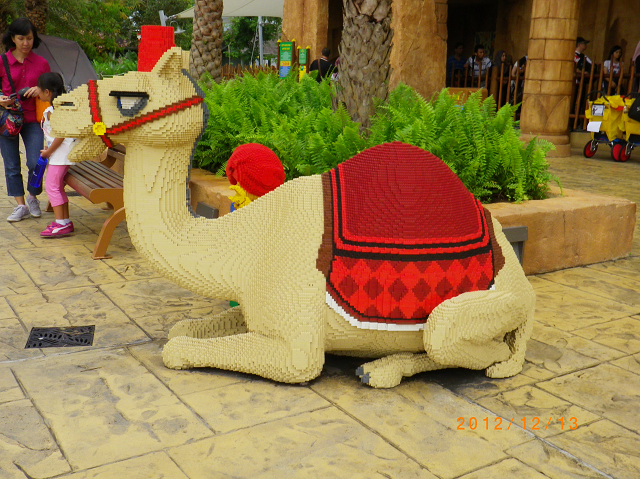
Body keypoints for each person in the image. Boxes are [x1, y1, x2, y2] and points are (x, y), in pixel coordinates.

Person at [0, 17, 50, 222]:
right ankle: (20, 205)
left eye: (29, 38)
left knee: (35, 162)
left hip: (33, 120)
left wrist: (41, 89)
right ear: (13, 38)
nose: (25, 43)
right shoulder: (2, 61)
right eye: (21, 38)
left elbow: (52, 91)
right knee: (11, 164)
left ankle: (32, 197)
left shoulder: (42, 63)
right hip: (8, 119)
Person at [38, 72, 76, 237]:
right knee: (58, 187)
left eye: (39, 89)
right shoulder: (58, 109)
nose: (37, 92)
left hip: (60, 156)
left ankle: (60, 223)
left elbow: (60, 135)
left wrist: (48, 152)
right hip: (60, 155)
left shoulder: (54, 112)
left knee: (52, 187)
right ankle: (64, 221)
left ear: (47, 92)